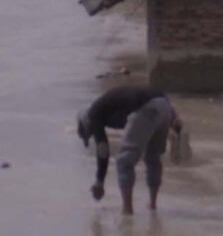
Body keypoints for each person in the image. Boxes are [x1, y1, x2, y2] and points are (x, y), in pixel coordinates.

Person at [77, 85, 182, 215]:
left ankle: (127, 211)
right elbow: (149, 96)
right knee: (152, 157)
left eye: (90, 134)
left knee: (124, 161)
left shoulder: (93, 115)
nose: (93, 134)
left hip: (147, 109)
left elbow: (102, 149)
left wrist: (99, 181)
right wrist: (173, 117)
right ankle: (152, 205)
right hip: (165, 106)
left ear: (85, 123)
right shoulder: (105, 107)